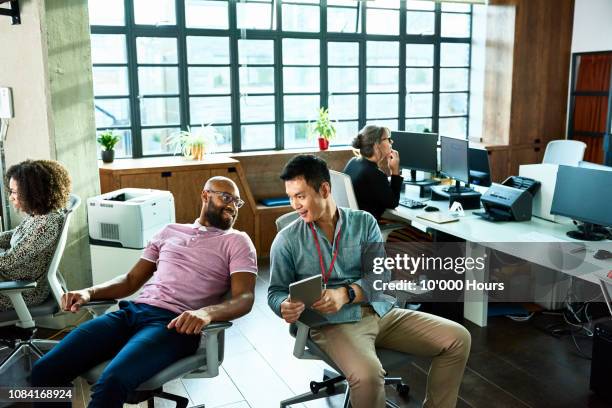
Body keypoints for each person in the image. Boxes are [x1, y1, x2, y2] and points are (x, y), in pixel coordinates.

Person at [31, 176, 258, 408]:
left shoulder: (237, 241)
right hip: (132, 313)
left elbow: (245, 297)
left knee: (112, 382)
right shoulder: (169, 231)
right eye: (226, 197)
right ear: (205, 195)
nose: (232, 206)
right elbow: (131, 280)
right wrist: (89, 292)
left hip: (174, 325)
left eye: (237, 202)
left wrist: (206, 313)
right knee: (44, 372)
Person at [268, 155, 470, 408]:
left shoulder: (364, 222)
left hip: (379, 311)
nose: (294, 204)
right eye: (290, 197)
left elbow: (381, 278)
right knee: (368, 376)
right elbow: (275, 291)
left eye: (300, 196)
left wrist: (346, 294)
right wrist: (283, 306)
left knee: (458, 338)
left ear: (324, 189)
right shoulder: (287, 240)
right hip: (332, 323)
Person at [0, 159, 71, 311]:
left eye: (14, 192)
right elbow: (15, 235)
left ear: (32, 192)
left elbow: (8, 260)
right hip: (10, 279)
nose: (11, 197)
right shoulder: (38, 214)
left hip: (22, 290)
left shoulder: (46, 224)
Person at [343, 125, 403, 219]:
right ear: (376, 145)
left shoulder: (353, 162)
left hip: (350, 223)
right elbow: (393, 203)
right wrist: (395, 171)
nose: (392, 142)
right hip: (368, 228)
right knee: (422, 234)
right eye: (388, 139)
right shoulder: (374, 174)